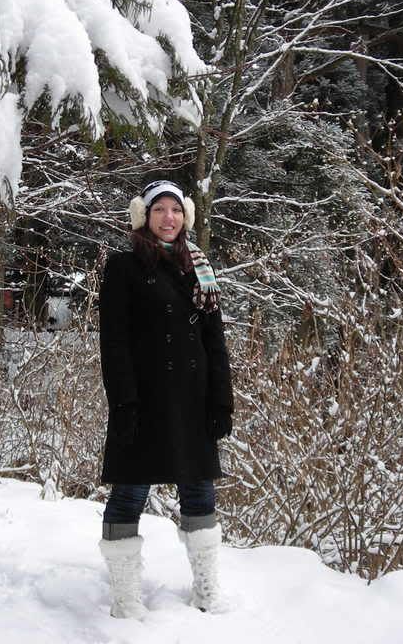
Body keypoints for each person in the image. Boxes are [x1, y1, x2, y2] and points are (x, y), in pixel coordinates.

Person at [97, 179, 234, 619]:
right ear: (144, 216)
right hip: (144, 400)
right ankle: (125, 598)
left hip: (192, 400)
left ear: (186, 216)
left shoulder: (201, 269)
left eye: (175, 209)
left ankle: (207, 588)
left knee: (200, 493)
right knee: (129, 493)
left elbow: (214, 341)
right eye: (159, 210)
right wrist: (124, 404)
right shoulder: (123, 266)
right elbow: (113, 343)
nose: (168, 218)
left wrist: (222, 401)